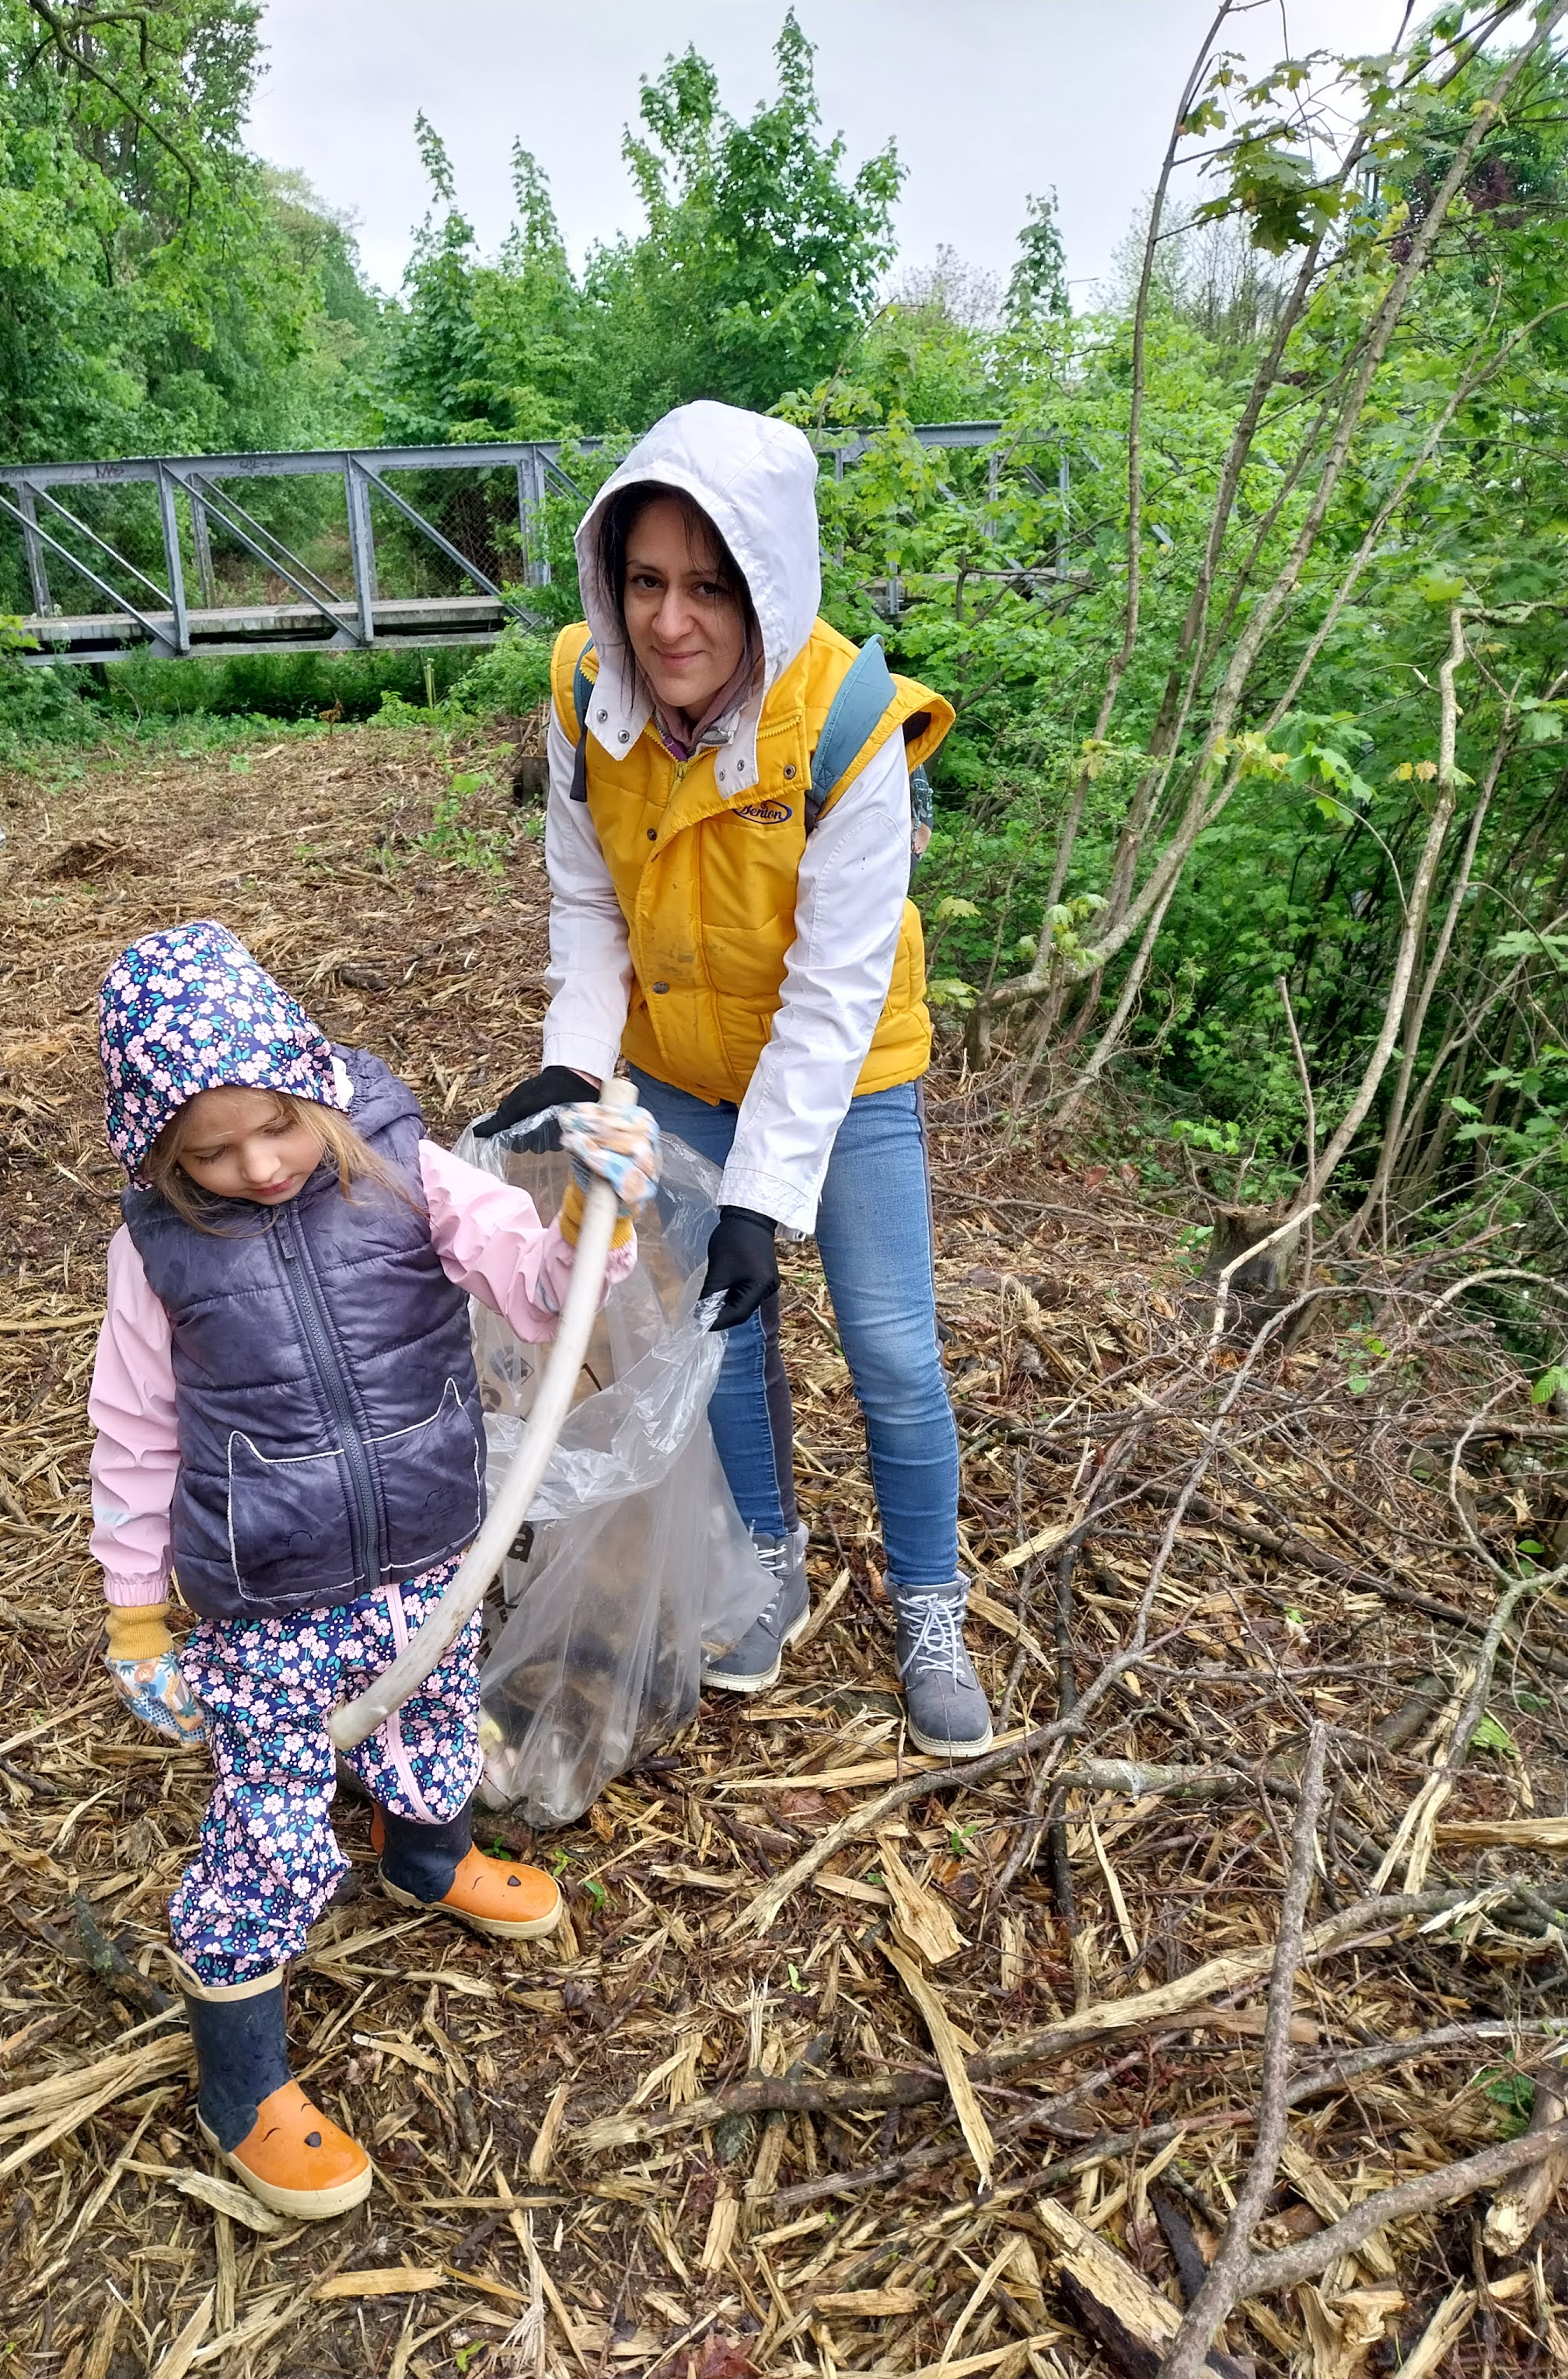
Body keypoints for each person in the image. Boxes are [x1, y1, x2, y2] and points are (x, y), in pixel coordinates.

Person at [87, 920, 659, 2219]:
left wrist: (592, 1215)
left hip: (427, 1545)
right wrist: (136, 1618)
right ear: (157, 1152)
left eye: (276, 1127)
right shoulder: (158, 1251)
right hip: (267, 1589)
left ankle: (426, 1853)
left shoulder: (407, 1168)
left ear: (314, 1084)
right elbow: (134, 1434)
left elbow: (537, 1290)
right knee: (270, 1821)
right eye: (210, 1155)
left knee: (432, 1707)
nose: (258, 1167)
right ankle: (242, 2083)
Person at [477, 399, 992, 1759]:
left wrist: (763, 1197)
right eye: (645, 580)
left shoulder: (851, 728)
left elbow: (832, 997)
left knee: (892, 1350)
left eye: (710, 587)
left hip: (846, 1077)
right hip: (677, 1069)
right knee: (722, 1336)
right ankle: (768, 1562)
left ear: (767, 584)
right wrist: (572, 1059)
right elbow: (587, 899)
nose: (669, 622)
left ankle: (931, 1605)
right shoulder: (590, 696)